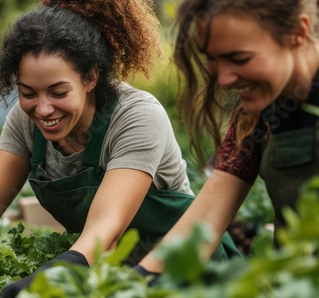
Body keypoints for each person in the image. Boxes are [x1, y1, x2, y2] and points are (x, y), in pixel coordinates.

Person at [0, 0, 240, 296]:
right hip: (118, 281)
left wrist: (47, 283)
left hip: (194, 277)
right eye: (28, 92)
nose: (42, 109)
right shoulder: (26, 121)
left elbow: (105, 230)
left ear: (91, 78)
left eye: (58, 92)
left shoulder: (136, 117)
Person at [136, 0, 319, 275]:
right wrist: (140, 282)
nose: (223, 79)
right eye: (212, 57)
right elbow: (205, 220)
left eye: (240, 58)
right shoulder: (255, 114)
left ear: (297, 32)